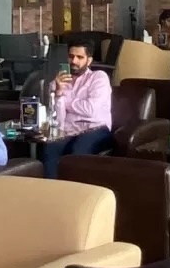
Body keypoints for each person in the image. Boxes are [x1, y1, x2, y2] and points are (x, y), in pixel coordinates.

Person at [41, 41, 116, 173]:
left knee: (77, 150)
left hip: (96, 129)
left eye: (80, 57)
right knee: (50, 148)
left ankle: (76, 186)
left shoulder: (98, 78)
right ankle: (51, 186)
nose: (74, 61)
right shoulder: (58, 83)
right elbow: (58, 119)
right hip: (69, 130)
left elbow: (90, 110)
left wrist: (65, 100)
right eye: (71, 56)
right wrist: (58, 92)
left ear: (89, 60)